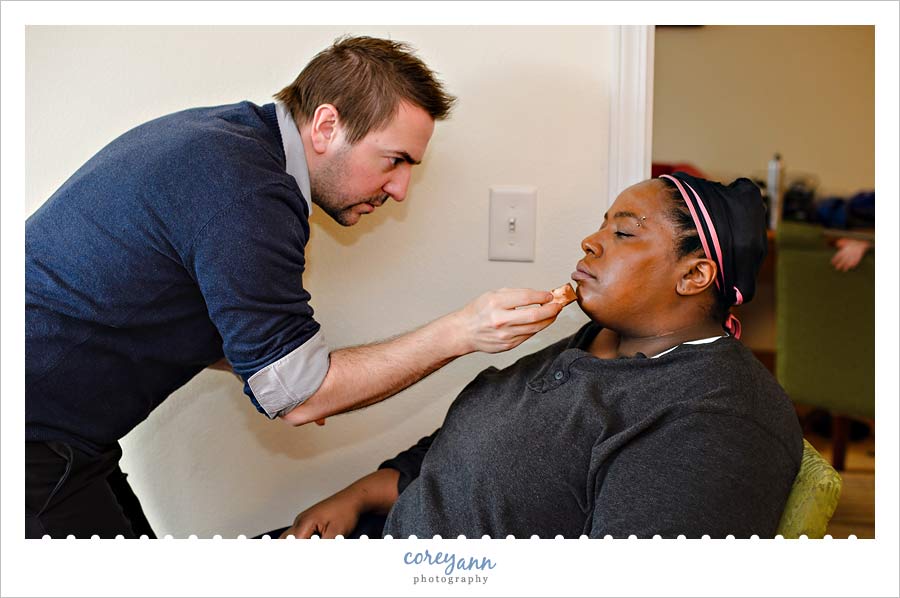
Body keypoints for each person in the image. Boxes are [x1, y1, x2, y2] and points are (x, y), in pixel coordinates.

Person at [25, 36, 563, 539]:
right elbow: (299, 398)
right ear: (326, 126)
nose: (400, 189)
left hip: (62, 432)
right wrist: (463, 331)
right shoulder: (250, 192)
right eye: (394, 160)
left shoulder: (228, 144)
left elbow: (165, 307)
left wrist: (280, 369)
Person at [274, 173, 804, 539]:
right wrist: (359, 496)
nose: (590, 241)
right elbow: (464, 456)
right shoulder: (596, 340)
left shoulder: (718, 416)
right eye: (602, 225)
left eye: (623, 232)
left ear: (694, 275)